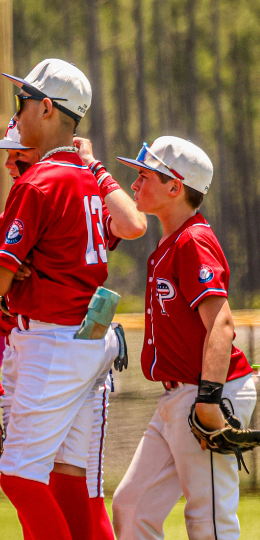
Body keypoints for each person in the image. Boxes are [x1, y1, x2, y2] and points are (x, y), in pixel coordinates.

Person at [0, 59, 143, 540]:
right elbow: (122, 228)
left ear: (46, 107)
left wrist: (6, 271)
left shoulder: (42, 181)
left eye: (23, 102)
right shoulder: (88, 180)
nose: (18, 113)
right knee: (71, 478)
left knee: (19, 476)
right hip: (85, 338)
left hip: (52, 341)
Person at [111, 137, 257, 540]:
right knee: (131, 505)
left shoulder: (192, 240)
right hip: (178, 395)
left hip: (207, 391)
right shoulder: (169, 241)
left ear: (175, 187)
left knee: (209, 520)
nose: (135, 182)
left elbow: (222, 325)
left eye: (145, 175)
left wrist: (210, 399)